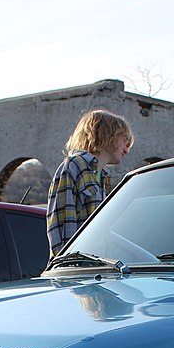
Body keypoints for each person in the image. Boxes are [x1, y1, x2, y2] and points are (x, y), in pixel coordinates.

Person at [45, 109, 133, 256]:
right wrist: (72, 264)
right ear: (108, 135)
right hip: (76, 271)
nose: (127, 149)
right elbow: (61, 227)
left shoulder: (100, 176)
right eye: (124, 140)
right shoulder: (74, 166)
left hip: (96, 269)